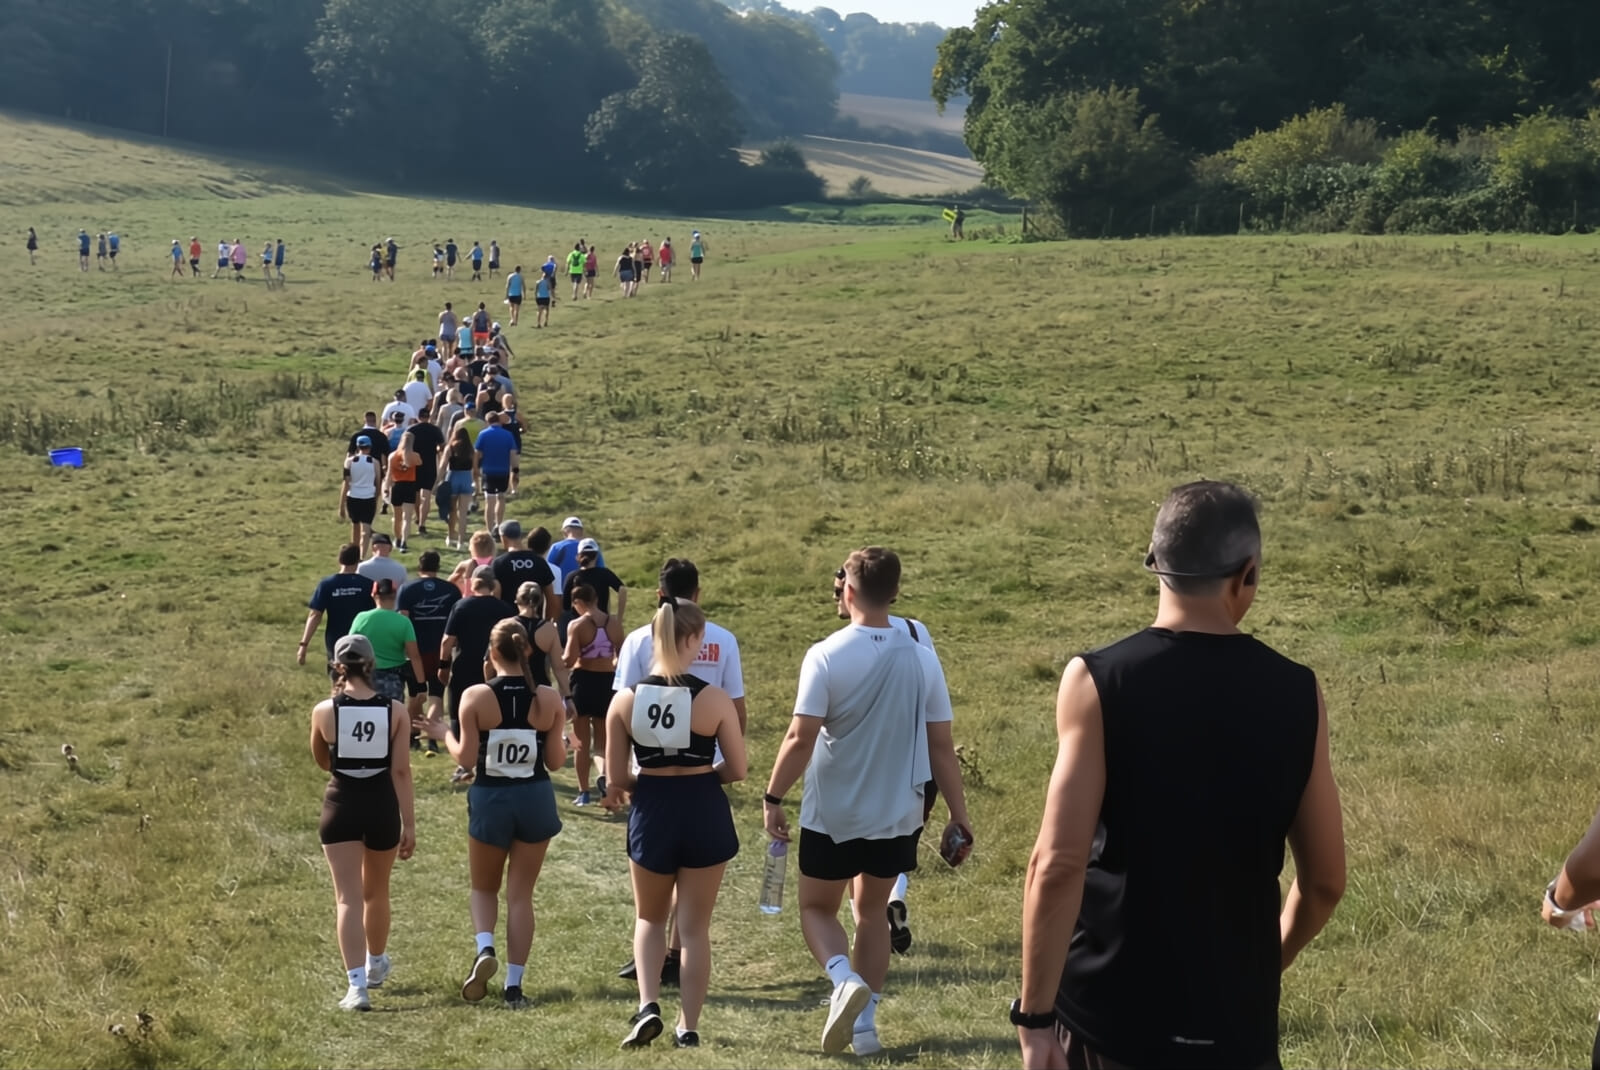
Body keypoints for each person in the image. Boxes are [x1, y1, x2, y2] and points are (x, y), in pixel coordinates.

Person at [1014, 481, 1344, 1070]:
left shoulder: (1098, 681)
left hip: (1107, 1020)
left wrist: (1035, 1021)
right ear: (1249, 575)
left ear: (1154, 561)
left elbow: (1057, 863)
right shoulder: (1299, 692)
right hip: (1236, 1028)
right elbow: (1324, 882)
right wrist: (1269, 960)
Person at [762, 546, 973, 1056]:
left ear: (848, 591)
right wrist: (959, 817)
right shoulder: (922, 656)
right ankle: (866, 1029)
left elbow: (800, 736)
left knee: (816, 908)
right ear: (895, 592)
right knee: (873, 912)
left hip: (834, 810)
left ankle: (842, 979)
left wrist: (772, 796)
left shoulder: (827, 654)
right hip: (897, 812)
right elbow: (942, 746)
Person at [601, 600, 745, 1048]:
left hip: (653, 807)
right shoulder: (715, 699)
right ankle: (689, 1026)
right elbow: (738, 769)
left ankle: (648, 1005)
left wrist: (645, 780)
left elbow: (618, 777)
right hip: (702, 806)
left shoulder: (624, 701)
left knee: (649, 916)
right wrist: (704, 777)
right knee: (695, 927)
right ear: (690, 640)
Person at [419, 619, 564, 1007]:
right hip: (534, 796)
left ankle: (485, 948)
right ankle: (514, 986)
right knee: (521, 895)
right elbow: (555, 761)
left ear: (492, 653)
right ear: (527, 651)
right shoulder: (548, 698)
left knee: (484, 887)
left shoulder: (475, 696)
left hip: (491, 798)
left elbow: (466, 759)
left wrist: (441, 734)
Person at [830, 564, 937, 955]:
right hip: (917, 764)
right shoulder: (916, 632)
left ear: (852, 591)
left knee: (855, 858)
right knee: (895, 846)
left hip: (865, 764)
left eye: (838, 588)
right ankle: (893, 897)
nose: (835, 597)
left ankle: (865, 936)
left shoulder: (838, 647)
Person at [309, 633, 417, 1011]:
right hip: (381, 805)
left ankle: (356, 987)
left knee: (347, 899)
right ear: (372, 665)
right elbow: (401, 770)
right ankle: (376, 962)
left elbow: (323, 760)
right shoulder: (397, 711)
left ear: (339, 667)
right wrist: (410, 824)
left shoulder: (324, 710)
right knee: (377, 892)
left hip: (341, 804)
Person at [439, 567, 517, 785]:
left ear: (473, 583)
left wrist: (443, 665)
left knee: (458, 713)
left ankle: (464, 765)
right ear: (493, 584)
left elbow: (447, 641)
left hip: (464, 666)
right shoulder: (505, 609)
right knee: (492, 713)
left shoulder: (461, 606)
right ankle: (490, 760)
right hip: (494, 668)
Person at [563, 584, 622, 806]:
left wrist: (557, 660)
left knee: (579, 741)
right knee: (601, 741)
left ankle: (583, 792)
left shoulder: (577, 625)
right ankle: (604, 778)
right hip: (607, 683)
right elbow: (621, 656)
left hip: (583, 682)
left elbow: (569, 659)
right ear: (596, 599)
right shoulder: (614, 624)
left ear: (578, 602)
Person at [398, 550, 461, 754]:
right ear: (438, 566)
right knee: (436, 695)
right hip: (441, 650)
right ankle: (432, 739)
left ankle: (413, 737)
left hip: (415, 650)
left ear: (419, 567)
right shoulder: (451, 591)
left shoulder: (407, 589)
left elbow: (403, 620)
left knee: (416, 696)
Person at [351, 578, 426, 708]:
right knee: (391, 719)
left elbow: (351, 647)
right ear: (395, 596)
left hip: (366, 677)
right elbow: (414, 656)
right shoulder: (403, 622)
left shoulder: (361, 618)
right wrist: (421, 685)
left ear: (373, 595)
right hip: (393, 679)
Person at [301, 544, 376, 673]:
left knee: (338, 680)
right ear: (358, 560)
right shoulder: (368, 584)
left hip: (335, 641)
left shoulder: (327, 584)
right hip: (363, 641)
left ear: (339, 560)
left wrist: (304, 645)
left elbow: (315, 615)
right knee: (361, 679)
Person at [511, 581, 574, 714]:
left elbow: (489, 663)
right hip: (541, 691)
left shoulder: (506, 626)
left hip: (511, 690)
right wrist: (568, 698)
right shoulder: (549, 629)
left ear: (517, 600)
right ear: (539, 601)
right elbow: (559, 667)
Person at [491, 520, 558, 617]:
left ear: (503, 538)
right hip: (534, 623)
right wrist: (545, 622)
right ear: (520, 536)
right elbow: (551, 597)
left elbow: (495, 597)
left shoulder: (499, 564)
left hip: (509, 623)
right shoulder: (539, 561)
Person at [561, 539, 626, 621]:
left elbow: (565, 606)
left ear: (578, 556)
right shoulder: (604, 573)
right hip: (601, 621)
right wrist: (619, 617)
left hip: (580, 624)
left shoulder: (571, 576)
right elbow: (622, 589)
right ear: (597, 556)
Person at [473, 413, 518, 532]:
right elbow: (513, 454)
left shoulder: (483, 434)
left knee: (490, 500)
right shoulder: (508, 435)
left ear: (488, 422)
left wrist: (476, 468)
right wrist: (515, 469)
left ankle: (489, 529)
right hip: (503, 471)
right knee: (501, 498)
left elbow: (476, 453)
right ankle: (499, 524)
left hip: (488, 471)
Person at [408, 406, 444, 538]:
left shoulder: (412, 430)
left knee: (416, 494)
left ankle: (418, 516)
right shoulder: (435, 430)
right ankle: (422, 523)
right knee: (426, 495)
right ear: (429, 417)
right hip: (430, 465)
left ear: (418, 417)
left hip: (415, 465)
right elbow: (441, 446)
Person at [341, 437, 381, 554]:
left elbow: (346, 483)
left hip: (353, 497)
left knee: (355, 527)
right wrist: (376, 498)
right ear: (370, 447)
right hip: (368, 497)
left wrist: (341, 505)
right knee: (366, 529)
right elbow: (378, 483)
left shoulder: (349, 461)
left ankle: (355, 553)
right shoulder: (374, 462)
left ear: (358, 447)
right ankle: (362, 556)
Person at [386, 431, 421, 552]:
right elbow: (420, 462)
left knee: (397, 517)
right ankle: (404, 542)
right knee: (407, 517)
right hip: (410, 486)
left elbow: (389, 474)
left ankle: (398, 538)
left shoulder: (392, 456)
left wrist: (386, 487)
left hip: (397, 486)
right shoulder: (414, 456)